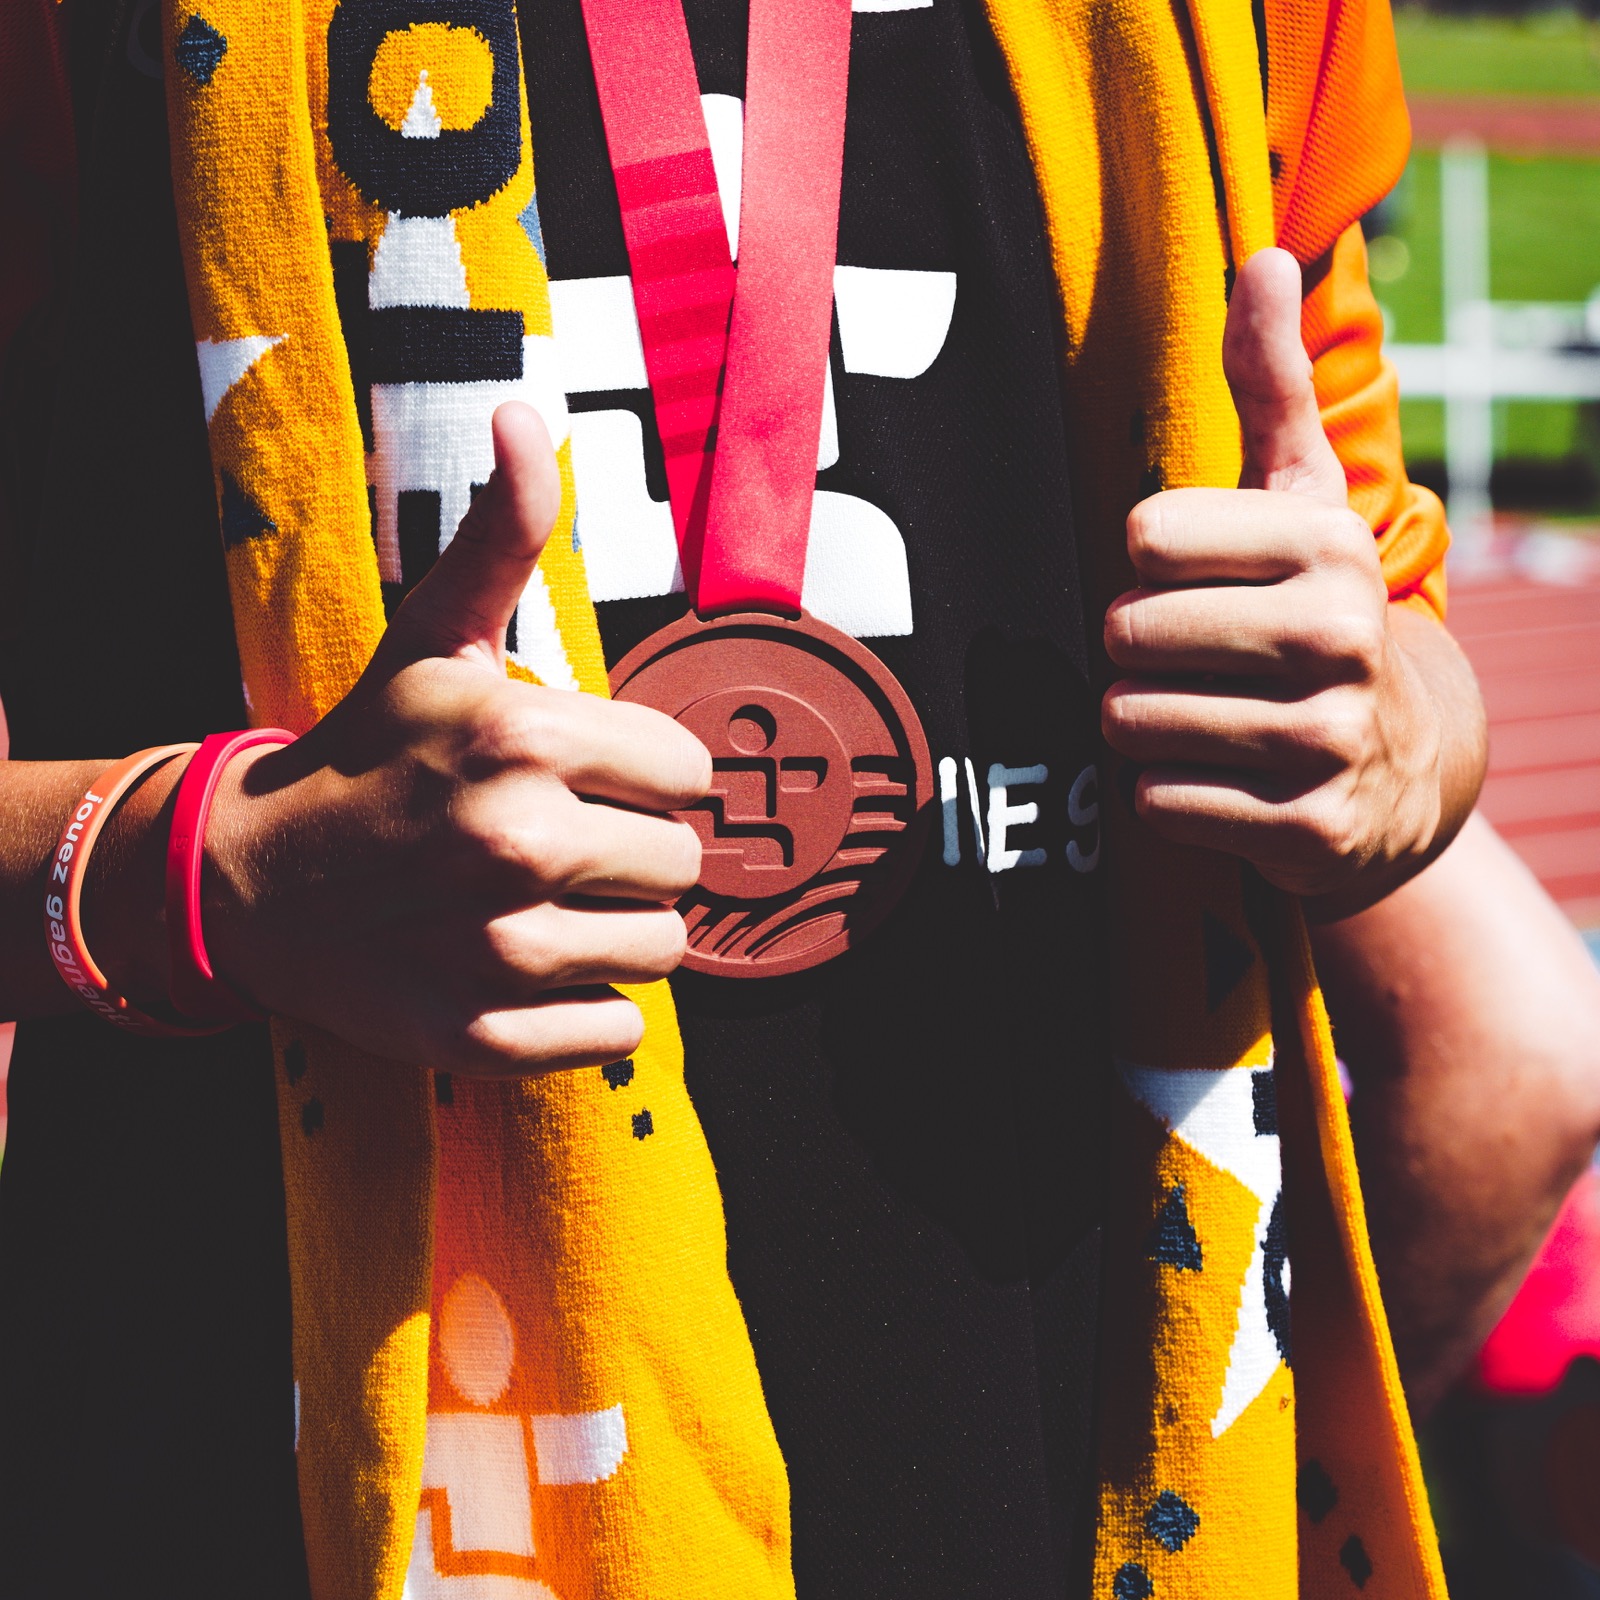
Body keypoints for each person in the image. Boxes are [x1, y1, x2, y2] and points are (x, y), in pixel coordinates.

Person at [0, 0, 1542, 1595]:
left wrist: (1391, 740)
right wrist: (212, 876)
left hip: (1058, 1481)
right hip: (267, 1477)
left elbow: (1401, 642)